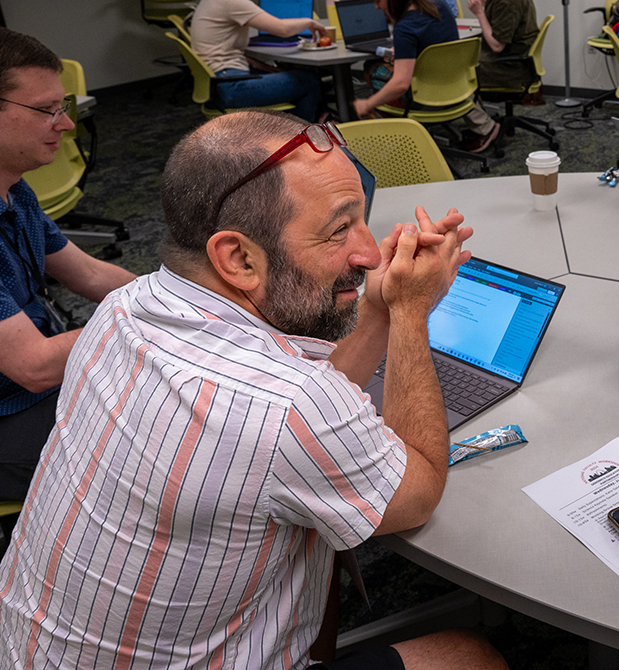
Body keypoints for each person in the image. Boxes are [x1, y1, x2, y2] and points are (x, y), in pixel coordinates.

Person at [0, 110, 507, 670]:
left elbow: (293, 417)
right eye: (340, 230)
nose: (367, 256)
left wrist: (381, 310)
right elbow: (415, 494)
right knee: (469, 654)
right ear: (237, 258)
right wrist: (413, 313)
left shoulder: (125, 307)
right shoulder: (288, 406)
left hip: (27, 651)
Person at [0, 29, 136, 507]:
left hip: (28, 385)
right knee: (161, 439)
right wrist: (151, 315)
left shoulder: (15, 192)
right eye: (47, 110)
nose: (67, 126)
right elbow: (34, 367)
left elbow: (92, 275)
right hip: (9, 412)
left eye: (64, 107)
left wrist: (187, 295)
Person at [190, 0, 325, 122]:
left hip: (217, 83)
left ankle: (287, 132)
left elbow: (223, 49)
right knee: (309, 81)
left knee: (290, 76)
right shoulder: (232, 1)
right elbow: (281, 29)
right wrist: (309, 22)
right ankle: (302, 140)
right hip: (231, 86)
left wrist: (261, 66)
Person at [461, 0, 539, 154]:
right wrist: (486, 4)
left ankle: (485, 127)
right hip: (518, 60)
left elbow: (496, 44)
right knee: (466, 67)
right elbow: (502, 21)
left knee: (459, 76)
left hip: (510, 68)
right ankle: (481, 122)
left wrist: (478, 12)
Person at [354, 0, 458, 118]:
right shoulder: (437, 3)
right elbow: (434, 43)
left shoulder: (405, 28)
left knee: (373, 68)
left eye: (377, 1)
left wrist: (367, 103)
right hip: (455, 84)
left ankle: (393, 125)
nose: (376, 7)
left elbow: (401, 84)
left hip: (425, 94)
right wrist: (404, 52)